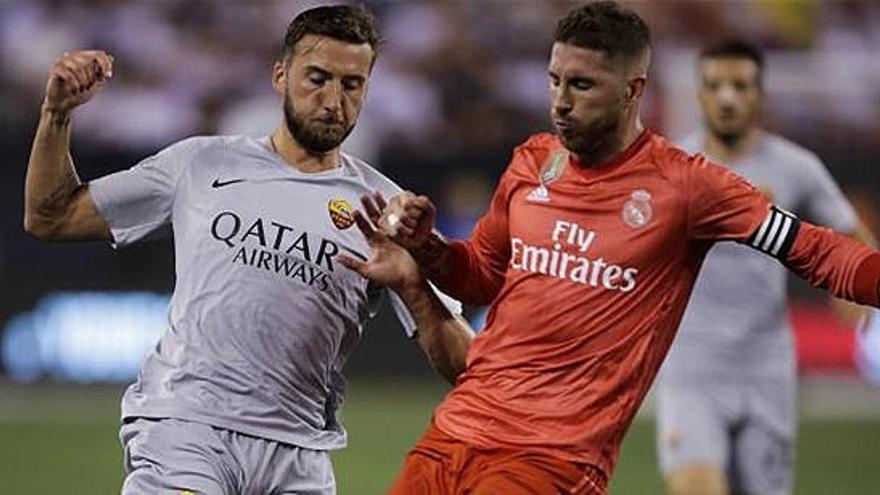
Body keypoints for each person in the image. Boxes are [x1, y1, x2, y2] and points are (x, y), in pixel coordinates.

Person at [340, 2, 880, 493]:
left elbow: (816, 250)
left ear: (633, 90)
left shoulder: (687, 187)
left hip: (551, 459)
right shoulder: (534, 162)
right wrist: (428, 250)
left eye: (582, 85)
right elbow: (478, 277)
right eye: (554, 81)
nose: (561, 102)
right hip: (453, 435)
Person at [22, 5, 472, 494]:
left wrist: (413, 282)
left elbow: (468, 369)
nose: (332, 100)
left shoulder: (386, 212)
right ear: (280, 76)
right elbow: (52, 216)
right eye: (317, 78)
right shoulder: (201, 163)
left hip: (298, 454)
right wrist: (57, 114)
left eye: (351, 84)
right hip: (186, 430)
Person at [655, 39, 877, 495]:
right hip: (692, 366)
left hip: (766, 367)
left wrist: (854, 291)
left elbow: (853, 233)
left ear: (761, 95)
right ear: (698, 95)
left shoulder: (796, 167)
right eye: (715, 86)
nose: (727, 98)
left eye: (740, 85)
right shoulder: (669, 169)